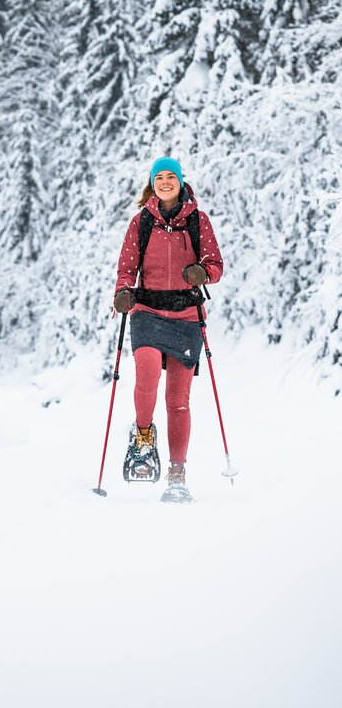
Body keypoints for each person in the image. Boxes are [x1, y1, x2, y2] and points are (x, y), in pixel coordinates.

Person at [114, 156, 223, 502]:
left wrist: (203, 274)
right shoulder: (141, 222)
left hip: (187, 314)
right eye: (158, 177)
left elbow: (215, 263)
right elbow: (127, 267)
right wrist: (122, 292)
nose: (164, 182)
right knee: (145, 376)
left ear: (179, 181)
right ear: (152, 183)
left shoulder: (198, 221)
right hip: (147, 310)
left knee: (178, 400)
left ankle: (177, 473)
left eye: (170, 177)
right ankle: (143, 437)